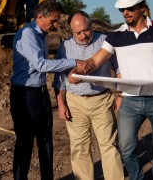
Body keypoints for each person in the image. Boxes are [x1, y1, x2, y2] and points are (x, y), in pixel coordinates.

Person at [70, 0, 153, 180]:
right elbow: (93, 62)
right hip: (130, 101)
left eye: (130, 8)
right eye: (121, 9)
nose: (125, 13)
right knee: (125, 148)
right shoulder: (116, 36)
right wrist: (78, 72)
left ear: (142, 6)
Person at [9, 0, 92, 180]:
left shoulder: (41, 35)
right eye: (53, 21)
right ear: (40, 17)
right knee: (25, 143)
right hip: (25, 94)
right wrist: (74, 62)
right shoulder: (28, 34)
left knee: (46, 140)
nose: (55, 25)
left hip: (40, 93)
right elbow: (41, 65)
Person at [53, 10, 124, 180]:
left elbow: (119, 68)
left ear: (91, 25)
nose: (83, 35)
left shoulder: (105, 41)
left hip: (102, 100)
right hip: (75, 103)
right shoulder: (65, 47)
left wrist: (120, 94)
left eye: (86, 30)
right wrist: (61, 104)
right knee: (79, 147)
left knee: (109, 145)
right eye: (78, 32)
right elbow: (59, 79)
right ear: (71, 31)